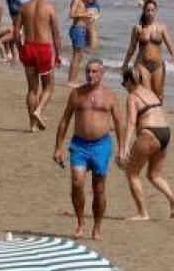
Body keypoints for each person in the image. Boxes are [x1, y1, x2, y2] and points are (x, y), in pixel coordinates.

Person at [52, 59, 122, 240]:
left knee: (98, 189)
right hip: (79, 145)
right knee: (77, 183)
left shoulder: (110, 96)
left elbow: (119, 123)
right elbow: (65, 119)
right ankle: (81, 223)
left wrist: (123, 149)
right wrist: (58, 147)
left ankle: (97, 227)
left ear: (102, 73)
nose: (90, 75)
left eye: (94, 72)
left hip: (101, 145)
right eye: (88, 71)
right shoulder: (76, 94)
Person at [118, 68, 174, 220]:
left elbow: (131, 121)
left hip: (150, 133)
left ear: (130, 81)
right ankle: (172, 197)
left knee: (131, 173)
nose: (124, 87)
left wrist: (125, 146)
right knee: (154, 174)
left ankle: (142, 213)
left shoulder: (132, 96)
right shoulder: (150, 92)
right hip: (165, 132)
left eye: (124, 83)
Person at [16, 0, 61, 132]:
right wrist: (59, 54)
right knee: (48, 86)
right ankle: (39, 110)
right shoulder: (49, 8)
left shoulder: (24, 7)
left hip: (28, 47)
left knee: (32, 89)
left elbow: (16, 33)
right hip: (43, 49)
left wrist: (20, 49)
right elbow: (55, 34)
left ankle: (32, 125)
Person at [122, 0, 174, 100]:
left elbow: (169, 44)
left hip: (158, 65)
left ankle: (157, 114)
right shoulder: (138, 28)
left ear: (156, 11)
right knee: (146, 94)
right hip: (142, 64)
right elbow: (132, 47)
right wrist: (125, 62)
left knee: (159, 94)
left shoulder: (162, 28)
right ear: (144, 11)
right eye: (147, 10)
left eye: (152, 10)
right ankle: (146, 115)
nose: (150, 13)